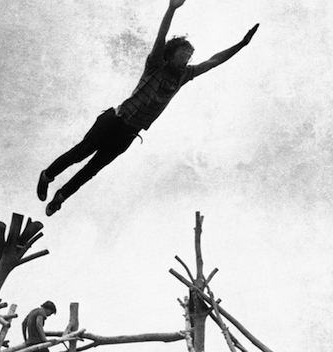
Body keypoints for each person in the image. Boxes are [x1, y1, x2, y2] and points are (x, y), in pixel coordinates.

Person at [36, 0, 259, 216]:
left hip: (129, 133)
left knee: (92, 169)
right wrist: (171, 9)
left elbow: (213, 61)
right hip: (114, 120)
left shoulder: (184, 76)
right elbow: (161, 37)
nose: (186, 59)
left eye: (189, 56)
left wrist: (241, 44)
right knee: (81, 153)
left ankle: (61, 197)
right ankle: (47, 175)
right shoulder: (155, 65)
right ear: (171, 55)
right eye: (183, 54)